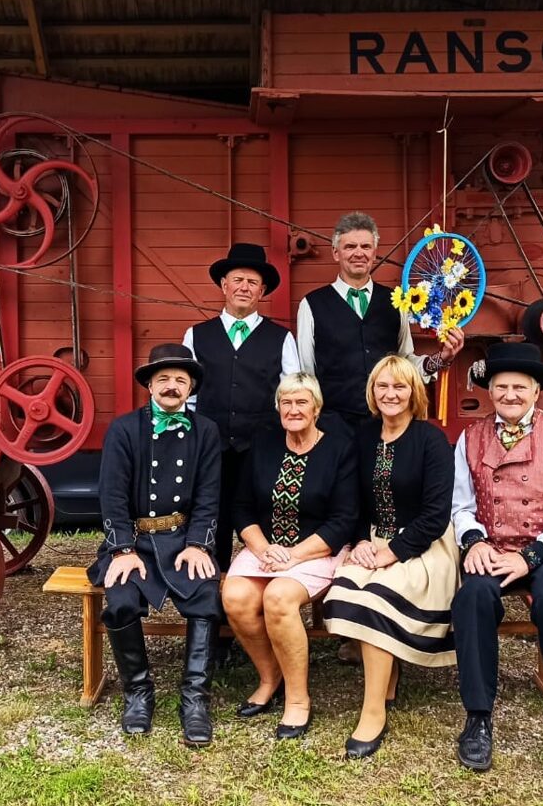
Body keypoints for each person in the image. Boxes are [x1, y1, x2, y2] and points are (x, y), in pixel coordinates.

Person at [449, 342, 543, 788]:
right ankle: (478, 717)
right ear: (490, 391)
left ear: (535, 391)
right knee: (472, 598)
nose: (510, 395)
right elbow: (461, 505)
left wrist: (530, 557)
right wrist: (473, 542)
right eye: (501, 387)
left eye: (519, 387)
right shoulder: (470, 438)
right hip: (492, 548)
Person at [322, 354, 460, 759]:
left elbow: (436, 515)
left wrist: (392, 552)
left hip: (424, 546)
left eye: (400, 386)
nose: (390, 394)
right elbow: (351, 500)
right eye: (382, 386)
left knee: (374, 600)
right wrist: (360, 541)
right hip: (373, 541)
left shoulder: (431, 440)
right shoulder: (363, 437)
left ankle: (373, 711)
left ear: (414, 392)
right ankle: (390, 670)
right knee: (343, 590)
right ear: (372, 392)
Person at [88, 343, 223, 747]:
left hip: (183, 541)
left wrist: (199, 544)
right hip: (135, 541)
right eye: (163, 378)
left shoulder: (206, 431)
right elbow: (112, 495)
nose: (171, 386)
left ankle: (195, 700)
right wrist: (122, 550)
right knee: (121, 598)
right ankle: (138, 694)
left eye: (180, 380)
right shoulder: (124, 429)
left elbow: (209, 496)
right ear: (149, 385)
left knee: (206, 595)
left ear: (190, 388)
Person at [221, 372, 357, 740]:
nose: (293, 409)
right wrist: (264, 548)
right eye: (286, 402)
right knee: (235, 596)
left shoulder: (339, 449)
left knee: (278, 598)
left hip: (316, 549)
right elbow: (241, 506)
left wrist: (294, 556)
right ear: (278, 408)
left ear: (316, 408)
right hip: (267, 547)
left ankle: (298, 699)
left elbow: (343, 519)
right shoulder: (263, 444)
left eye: (301, 402)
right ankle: (270, 677)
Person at [183, 242, 302, 597]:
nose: (244, 287)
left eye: (252, 282)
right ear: (224, 285)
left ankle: (264, 603)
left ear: (262, 291)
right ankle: (210, 610)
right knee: (212, 525)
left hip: (262, 450)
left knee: (264, 527)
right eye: (238, 280)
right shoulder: (196, 335)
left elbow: (291, 394)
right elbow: (188, 397)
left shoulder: (281, 338)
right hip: (211, 450)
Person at [296, 212, 464, 433]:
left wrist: (442, 358)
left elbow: (406, 362)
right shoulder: (311, 304)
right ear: (336, 253)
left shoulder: (396, 302)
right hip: (332, 429)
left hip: (387, 426)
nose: (359, 253)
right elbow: (306, 374)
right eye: (350, 247)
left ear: (374, 253)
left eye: (365, 246)